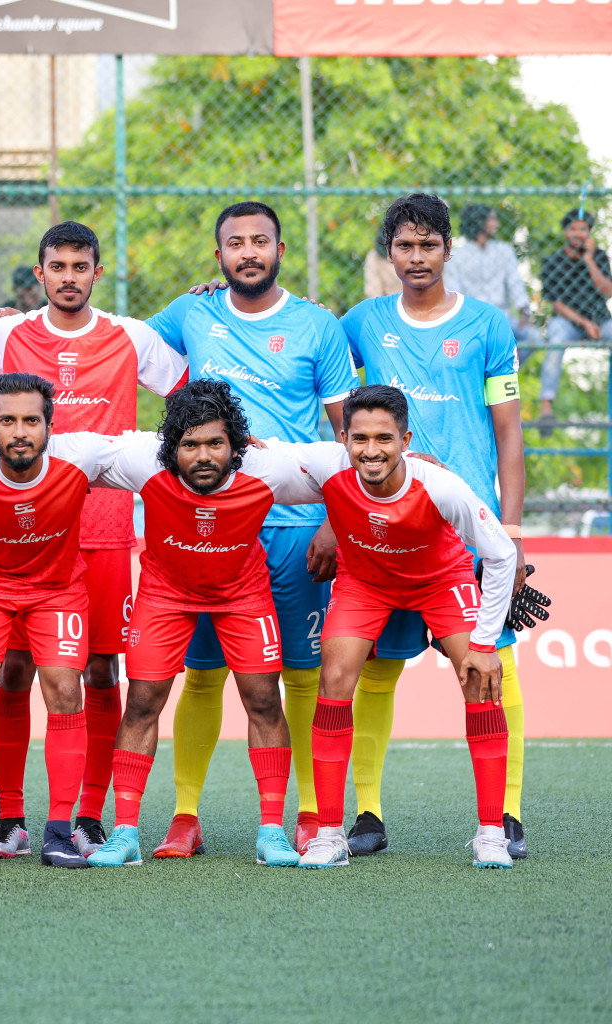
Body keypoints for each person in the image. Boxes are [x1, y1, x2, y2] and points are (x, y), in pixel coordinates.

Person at [150, 201, 358, 858]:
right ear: (218, 258)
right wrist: (14, 322)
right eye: (235, 243)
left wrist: (333, 518)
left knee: (298, 674)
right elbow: (110, 336)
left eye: (259, 241)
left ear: (280, 249)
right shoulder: (191, 313)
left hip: (295, 528)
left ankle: (304, 812)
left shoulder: (318, 327)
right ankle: (185, 815)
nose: (248, 252)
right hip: (207, 523)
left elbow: (348, 433)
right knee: (202, 673)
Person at [0, 221, 188, 859]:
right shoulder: (7, 334)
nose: (69, 276)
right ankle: (11, 818)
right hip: (20, 529)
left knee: (99, 670)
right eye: (57, 266)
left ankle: (89, 815)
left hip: (101, 531)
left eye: (80, 265)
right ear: (38, 274)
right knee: (13, 671)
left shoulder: (131, 336)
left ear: (98, 272)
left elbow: (186, 397)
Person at [339, 193, 530, 858]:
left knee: (492, 665)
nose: (416, 258)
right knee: (376, 672)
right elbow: (329, 401)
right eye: (404, 246)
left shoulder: (488, 326)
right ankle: (367, 812)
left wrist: (509, 528)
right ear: (388, 254)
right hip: (387, 529)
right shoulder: (361, 324)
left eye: (428, 246)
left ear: (448, 251)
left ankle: (505, 815)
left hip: (468, 530)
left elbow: (509, 433)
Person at [70, 382, 325, 869]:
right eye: (190, 445)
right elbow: (72, 447)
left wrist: (415, 464)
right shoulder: (145, 461)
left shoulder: (267, 467)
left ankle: (272, 831)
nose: (203, 455)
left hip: (242, 594)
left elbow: (345, 462)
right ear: (171, 448)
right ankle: (124, 832)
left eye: (215, 443)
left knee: (265, 699)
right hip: (166, 593)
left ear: (237, 446)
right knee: (142, 700)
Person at [276, 385, 518, 870]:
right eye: (359, 438)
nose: (371, 450)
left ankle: (492, 833)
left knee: (481, 681)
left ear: (405, 438)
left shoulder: (442, 486)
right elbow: (263, 461)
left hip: (440, 580)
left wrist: (486, 642)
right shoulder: (328, 468)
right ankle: (328, 835)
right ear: (343, 437)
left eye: (384, 438)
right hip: (366, 582)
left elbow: (501, 554)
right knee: (334, 677)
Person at [0, 373, 118, 869]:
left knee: (65, 689)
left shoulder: (79, 461)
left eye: (31, 421)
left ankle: (59, 830)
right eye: (7, 421)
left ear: (49, 426)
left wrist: (236, 444)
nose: (20, 431)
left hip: (56, 592)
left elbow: (152, 448)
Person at [538, 208, 612, 424]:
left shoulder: (599, 256)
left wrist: (589, 261)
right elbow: (557, 305)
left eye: (584, 229)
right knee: (557, 339)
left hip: (601, 319)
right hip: (568, 321)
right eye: (574, 229)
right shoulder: (553, 262)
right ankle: (546, 406)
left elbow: (608, 291)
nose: (579, 234)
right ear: (565, 233)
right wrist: (585, 323)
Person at [450, 204, 541, 349]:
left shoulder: (504, 250)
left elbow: (515, 283)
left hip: (503, 318)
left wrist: (524, 311)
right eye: (492, 219)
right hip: (472, 321)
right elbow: (453, 293)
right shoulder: (456, 257)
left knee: (534, 337)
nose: (497, 224)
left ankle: (507, 368)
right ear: (479, 221)